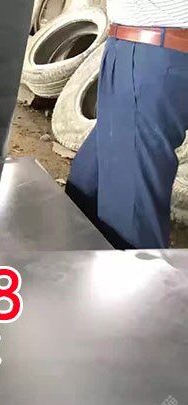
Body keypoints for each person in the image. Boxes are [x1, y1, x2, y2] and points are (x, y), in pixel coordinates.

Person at [66, 0, 188, 249]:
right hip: (141, 46)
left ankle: (143, 273)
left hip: (151, 49)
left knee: (129, 213)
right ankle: (78, 268)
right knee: (85, 188)